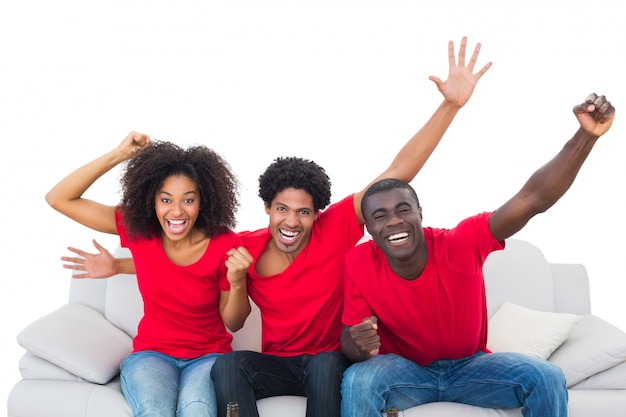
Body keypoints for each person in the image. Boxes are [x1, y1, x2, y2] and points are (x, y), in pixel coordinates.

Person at [59, 37, 492, 417]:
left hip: (330, 361)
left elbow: (398, 171)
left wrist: (449, 106)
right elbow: (182, 262)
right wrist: (120, 267)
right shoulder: (242, 247)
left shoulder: (337, 228)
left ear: (317, 213)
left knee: (323, 362)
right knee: (229, 365)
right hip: (279, 363)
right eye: (282, 209)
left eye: (303, 212)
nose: (292, 221)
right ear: (266, 208)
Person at [340, 93, 615, 417]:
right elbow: (350, 337)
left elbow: (532, 199)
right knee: (359, 379)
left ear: (420, 214)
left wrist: (585, 137)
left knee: (547, 377)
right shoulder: (359, 262)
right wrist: (356, 347)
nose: (394, 221)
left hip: (472, 368)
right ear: (370, 228)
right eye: (380, 216)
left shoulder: (460, 243)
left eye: (403, 210)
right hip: (404, 372)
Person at [45, 136, 253, 417]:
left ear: (203, 202)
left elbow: (235, 322)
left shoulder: (224, 244)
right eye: (165, 199)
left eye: (188, 200)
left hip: (208, 356)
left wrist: (238, 280)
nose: (176, 211)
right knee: (154, 410)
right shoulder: (140, 232)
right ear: (152, 201)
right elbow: (58, 199)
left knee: (197, 411)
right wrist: (118, 154)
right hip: (152, 354)